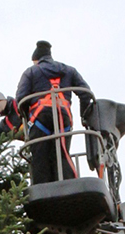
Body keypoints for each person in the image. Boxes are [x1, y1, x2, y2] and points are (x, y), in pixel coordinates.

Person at [15, 40, 94, 184]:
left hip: (40, 118)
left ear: (36, 59)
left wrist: (26, 121)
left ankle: (43, 192)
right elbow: (86, 94)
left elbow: (21, 99)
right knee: (62, 155)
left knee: (40, 158)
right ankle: (69, 186)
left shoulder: (31, 71)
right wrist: (84, 116)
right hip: (63, 118)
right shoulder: (69, 70)